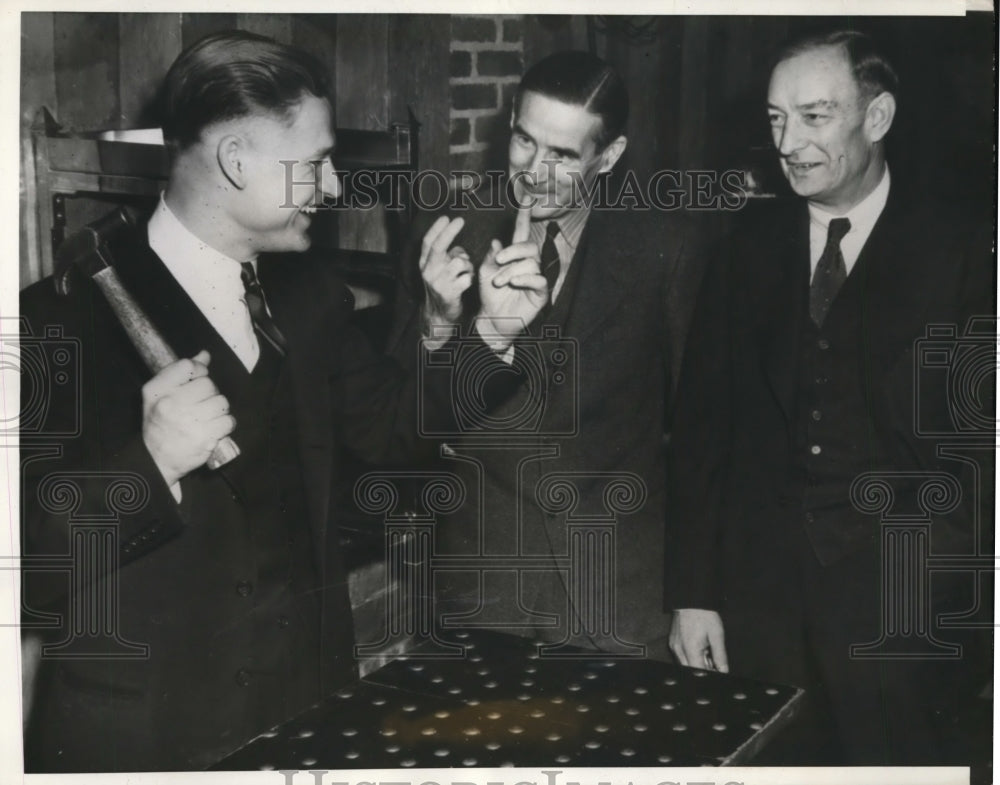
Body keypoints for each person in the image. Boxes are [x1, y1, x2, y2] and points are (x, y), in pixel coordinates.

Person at [19, 31, 544, 772]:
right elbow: (25, 568)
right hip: (145, 742)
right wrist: (151, 463)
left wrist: (490, 336)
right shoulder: (51, 324)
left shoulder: (309, 297)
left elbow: (394, 430)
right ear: (236, 161)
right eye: (316, 162)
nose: (332, 188)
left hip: (303, 715)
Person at [665, 29, 994, 764]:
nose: (789, 143)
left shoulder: (966, 251)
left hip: (904, 626)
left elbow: (981, 457)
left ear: (877, 117)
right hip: (758, 616)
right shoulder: (743, 248)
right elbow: (700, 433)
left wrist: (940, 596)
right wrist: (694, 594)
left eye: (814, 117)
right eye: (777, 119)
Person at [397, 51, 705, 660]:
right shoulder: (448, 233)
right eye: (524, 141)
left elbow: (704, 433)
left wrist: (698, 595)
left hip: (619, 597)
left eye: (562, 155)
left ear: (608, 157)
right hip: (481, 591)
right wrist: (439, 322)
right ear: (510, 121)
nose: (535, 172)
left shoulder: (667, 247)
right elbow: (398, 423)